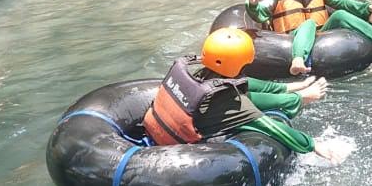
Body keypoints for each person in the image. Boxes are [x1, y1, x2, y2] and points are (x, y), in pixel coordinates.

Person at [143, 27, 345, 164]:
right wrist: (313, 144)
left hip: (156, 128)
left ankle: (296, 93)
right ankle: (299, 99)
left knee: (246, 92)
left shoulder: (194, 71)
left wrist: (290, 86)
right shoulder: (233, 104)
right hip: (178, 150)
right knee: (252, 110)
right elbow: (271, 126)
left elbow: (244, 85)